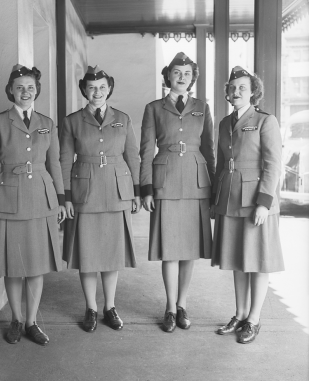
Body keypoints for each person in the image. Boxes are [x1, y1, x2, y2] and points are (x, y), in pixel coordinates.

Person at [0, 64, 66, 346]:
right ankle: (16, 319)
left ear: (36, 91)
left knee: (36, 265)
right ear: (11, 91)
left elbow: (54, 164)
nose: (25, 92)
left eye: (30, 87)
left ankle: (32, 322)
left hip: (42, 200)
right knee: (14, 265)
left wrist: (61, 200)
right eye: (19, 87)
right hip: (8, 202)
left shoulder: (48, 123)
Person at [60, 65, 141, 333]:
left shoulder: (123, 118)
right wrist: (66, 198)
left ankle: (110, 306)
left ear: (110, 89)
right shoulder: (72, 121)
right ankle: (91, 308)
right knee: (88, 253)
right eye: (92, 88)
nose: (97, 92)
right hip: (85, 192)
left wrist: (137, 192)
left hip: (117, 192)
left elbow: (133, 156)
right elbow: (63, 160)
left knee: (111, 253)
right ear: (84, 89)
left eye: (103, 87)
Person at [140, 52, 215, 332]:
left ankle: (183, 304)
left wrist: (214, 189)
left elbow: (209, 148)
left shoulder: (202, 107)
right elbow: (146, 150)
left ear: (192, 77)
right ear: (167, 76)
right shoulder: (154, 107)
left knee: (189, 251)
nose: (181, 77)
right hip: (166, 180)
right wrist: (146, 188)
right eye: (176, 72)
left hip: (197, 183)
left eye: (186, 73)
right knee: (170, 250)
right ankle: (170, 307)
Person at [211, 66, 284, 344]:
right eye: (232, 87)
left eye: (242, 87)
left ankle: (253, 319)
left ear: (253, 92)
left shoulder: (266, 121)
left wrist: (264, 203)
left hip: (255, 201)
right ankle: (240, 314)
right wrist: (215, 202)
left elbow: (272, 165)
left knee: (257, 262)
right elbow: (220, 165)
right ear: (227, 93)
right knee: (237, 261)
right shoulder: (224, 123)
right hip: (230, 199)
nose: (236, 91)